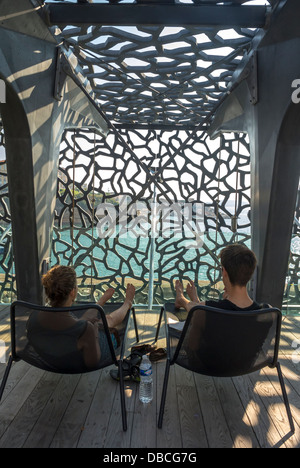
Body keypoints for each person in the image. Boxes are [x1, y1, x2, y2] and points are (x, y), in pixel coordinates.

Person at [26, 265, 135, 372]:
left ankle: (100, 303)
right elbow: (93, 362)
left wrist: (90, 328)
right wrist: (95, 332)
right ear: (72, 292)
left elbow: (76, 326)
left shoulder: (34, 316)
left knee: (84, 325)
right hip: (78, 359)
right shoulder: (87, 330)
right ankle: (127, 303)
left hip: (53, 357)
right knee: (107, 320)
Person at [174, 243, 260, 314]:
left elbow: (195, 309)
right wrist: (196, 299)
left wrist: (183, 299)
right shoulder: (267, 313)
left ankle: (181, 299)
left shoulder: (212, 310)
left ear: (224, 272)